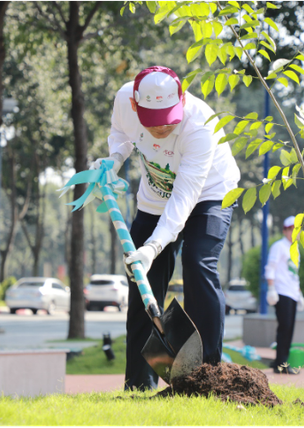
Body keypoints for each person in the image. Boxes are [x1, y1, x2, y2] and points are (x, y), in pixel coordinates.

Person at [91, 66, 240, 390]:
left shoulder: (199, 125)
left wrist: (152, 247)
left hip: (209, 194)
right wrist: (114, 159)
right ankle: (139, 384)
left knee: (198, 263)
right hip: (155, 199)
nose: (159, 128)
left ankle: (208, 376)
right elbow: (120, 134)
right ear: (134, 105)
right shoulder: (123, 99)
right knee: (141, 279)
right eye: (151, 120)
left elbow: (184, 200)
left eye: (167, 120)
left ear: (182, 100)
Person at [265, 216, 304, 374]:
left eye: (295, 229)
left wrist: (300, 294)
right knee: (285, 327)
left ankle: (281, 361)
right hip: (281, 292)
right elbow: (270, 268)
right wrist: (271, 288)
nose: (292, 232)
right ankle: (280, 364)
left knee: (289, 328)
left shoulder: (295, 248)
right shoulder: (279, 246)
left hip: (292, 293)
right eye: (289, 229)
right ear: (284, 230)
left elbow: (295, 275)